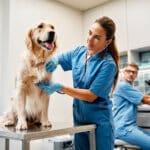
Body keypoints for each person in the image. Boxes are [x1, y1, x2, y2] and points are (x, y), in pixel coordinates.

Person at [36, 16, 120, 150]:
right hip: (80, 121)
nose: (90, 39)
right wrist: (54, 61)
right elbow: (59, 57)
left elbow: (91, 95)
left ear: (108, 41)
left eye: (97, 37)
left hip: (100, 124)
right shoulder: (79, 52)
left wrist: (60, 87)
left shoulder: (108, 65)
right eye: (90, 33)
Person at [113, 63, 150, 150]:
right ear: (123, 72)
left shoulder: (129, 87)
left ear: (136, 75)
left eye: (134, 72)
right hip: (124, 128)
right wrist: (144, 99)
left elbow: (144, 98)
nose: (131, 74)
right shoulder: (122, 86)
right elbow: (146, 100)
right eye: (128, 71)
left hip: (129, 127)